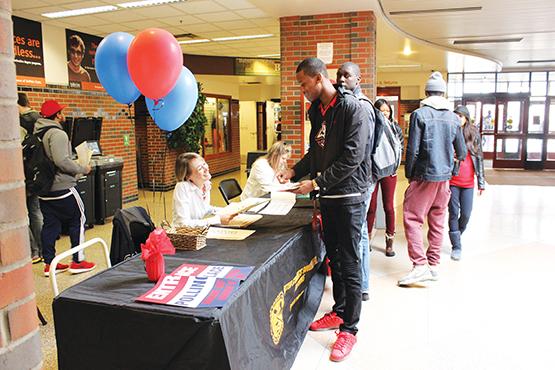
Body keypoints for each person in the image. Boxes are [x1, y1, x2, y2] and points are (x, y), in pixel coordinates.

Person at [278, 57, 372, 362]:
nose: (302, 90)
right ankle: (339, 310)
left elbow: (352, 158)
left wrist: (315, 183)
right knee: (334, 259)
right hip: (327, 198)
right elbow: (315, 151)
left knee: (349, 262)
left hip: (348, 197)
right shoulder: (316, 111)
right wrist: (294, 172)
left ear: (320, 79)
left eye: (304, 84)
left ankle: (350, 329)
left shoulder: (352, 108)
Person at [398, 72, 466, 286]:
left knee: (412, 218)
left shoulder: (420, 115)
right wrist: (452, 170)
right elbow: (462, 152)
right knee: (437, 220)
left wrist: (409, 175)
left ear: (426, 92)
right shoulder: (453, 118)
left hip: (424, 176)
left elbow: (413, 150)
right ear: (443, 93)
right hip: (444, 178)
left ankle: (419, 266)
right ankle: (433, 265)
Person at [36, 100, 95, 277]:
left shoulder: (37, 132)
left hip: (44, 190)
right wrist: (82, 168)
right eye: (61, 112)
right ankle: (78, 261)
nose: (63, 115)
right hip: (63, 187)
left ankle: (49, 264)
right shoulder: (58, 134)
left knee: (50, 225)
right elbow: (61, 161)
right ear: (57, 115)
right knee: (78, 218)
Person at [336, 62, 375, 301]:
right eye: (339, 75)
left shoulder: (361, 107)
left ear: (357, 80)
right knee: (354, 235)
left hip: (360, 180)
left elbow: (361, 149)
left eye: (347, 75)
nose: (341, 79)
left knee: (358, 234)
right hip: (351, 180)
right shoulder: (345, 105)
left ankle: (362, 286)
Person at [367, 98, 405, 257]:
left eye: (387, 111)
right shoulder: (370, 127)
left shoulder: (396, 128)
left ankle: (389, 242)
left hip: (389, 171)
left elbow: (400, 148)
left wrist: (395, 166)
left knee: (389, 206)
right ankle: (367, 239)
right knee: (371, 207)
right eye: (381, 111)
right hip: (373, 171)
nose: (385, 114)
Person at [448, 105, 486, 261]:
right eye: (455, 115)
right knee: (453, 212)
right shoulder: (450, 131)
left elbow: (480, 158)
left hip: (468, 182)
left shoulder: (474, 134)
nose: (458, 118)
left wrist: (481, 182)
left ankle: (456, 234)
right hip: (452, 180)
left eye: (461, 116)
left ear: (466, 118)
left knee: (466, 214)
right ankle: (456, 246)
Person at [173, 152, 236, 227]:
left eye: (204, 164)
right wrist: (217, 220)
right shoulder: (182, 187)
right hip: (183, 235)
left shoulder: (205, 184)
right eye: (200, 168)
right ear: (188, 176)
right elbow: (183, 224)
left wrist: (228, 210)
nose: (206, 168)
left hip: (198, 232)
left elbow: (204, 209)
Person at [18, 92, 43, 264]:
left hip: (21, 174)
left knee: (21, 214)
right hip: (37, 174)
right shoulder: (40, 119)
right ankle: (42, 249)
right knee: (36, 211)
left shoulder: (18, 121)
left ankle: (33, 251)